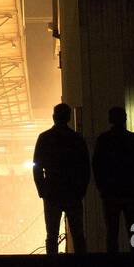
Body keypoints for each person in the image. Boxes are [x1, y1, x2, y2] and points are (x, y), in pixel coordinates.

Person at [32, 103, 90, 255]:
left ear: (54, 117)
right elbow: (85, 167)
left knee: (51, 235)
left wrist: (42, 190)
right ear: (69, 117)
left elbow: (37, 167)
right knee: (78, 234)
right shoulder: (77, 139)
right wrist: (81, 190)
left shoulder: (44, 138)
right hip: (72, 192)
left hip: (52, 191)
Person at [92, 105, 134, 253]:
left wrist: (102, 188)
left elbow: (97, 166)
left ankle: (112, 265)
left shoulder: (103, 140)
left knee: (112, 231)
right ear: (125, 119)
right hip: (131, 191)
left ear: (110, 120)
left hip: (111, 193)